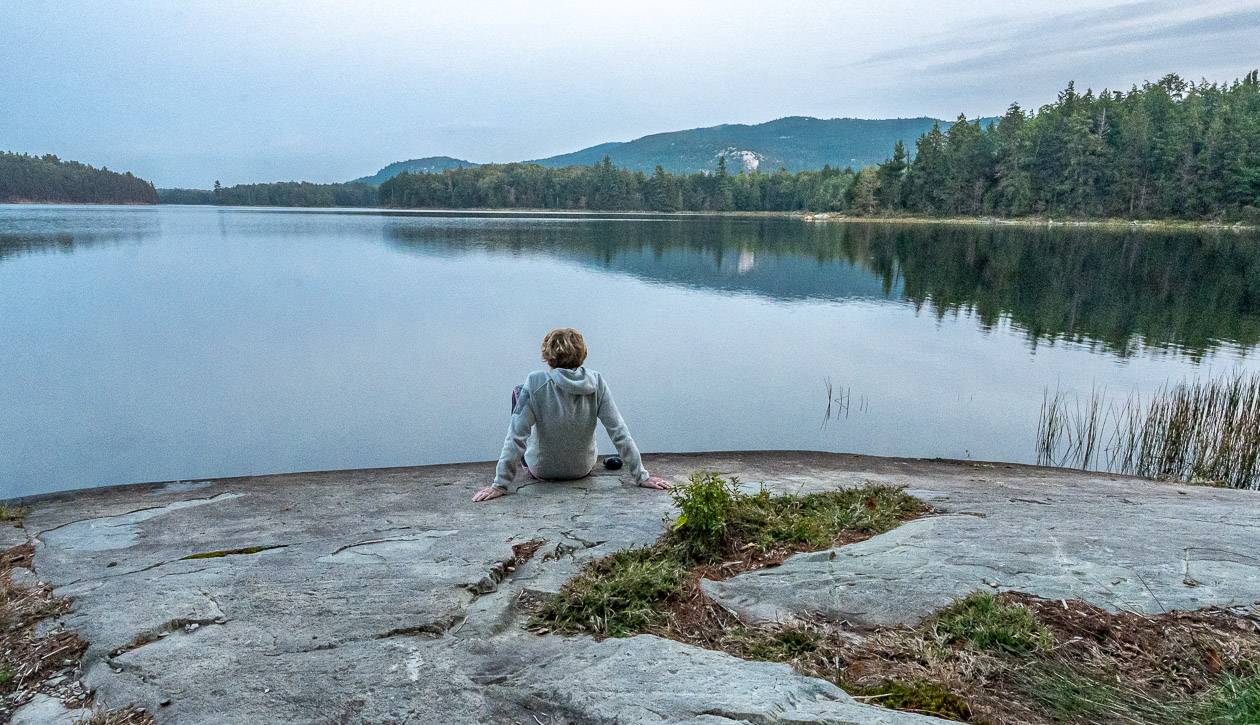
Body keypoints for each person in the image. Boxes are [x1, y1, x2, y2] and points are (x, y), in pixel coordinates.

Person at [473, 328, 671, 502]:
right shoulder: (597, 381)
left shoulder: (535, 382)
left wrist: (499, 485)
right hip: (582, 469)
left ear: (548, 356)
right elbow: (619, 431)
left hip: (542, 471)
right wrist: (641, 476)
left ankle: (523, 466)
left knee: (519, 392)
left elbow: (516, 436)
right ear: (583, 353)